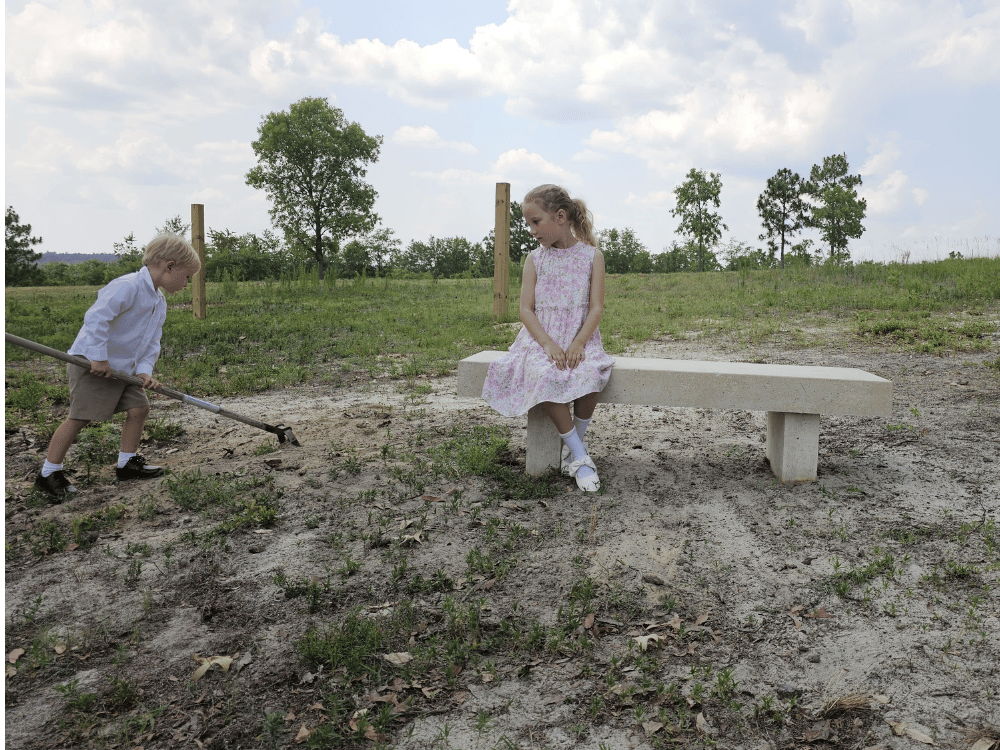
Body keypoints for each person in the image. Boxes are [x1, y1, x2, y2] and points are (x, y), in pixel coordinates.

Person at [33, 233, 201, 499]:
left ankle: (127, 462)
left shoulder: (159, 301)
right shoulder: (128, 286)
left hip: (125, 371)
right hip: (92, 364)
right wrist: (98, 357)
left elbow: (151, 341)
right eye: (187, 276)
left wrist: (144, 371)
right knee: (80, 417)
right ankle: (48, 472)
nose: (187, 283)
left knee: (140, 408)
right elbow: (96, 319)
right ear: (169, 266)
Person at [482, 184, 614, 492]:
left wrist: (580, 342)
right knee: (545, 375)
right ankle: (580, 456)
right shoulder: (535, 260)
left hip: (582, 336)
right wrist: (548, 344)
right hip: (540, 339)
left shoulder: (592, 257)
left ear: (560, 216)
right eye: (527, 223)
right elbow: (526, 310)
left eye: (535, 222)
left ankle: (573, 446)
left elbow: (596, 308)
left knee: (591, 371)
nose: (531, 230)